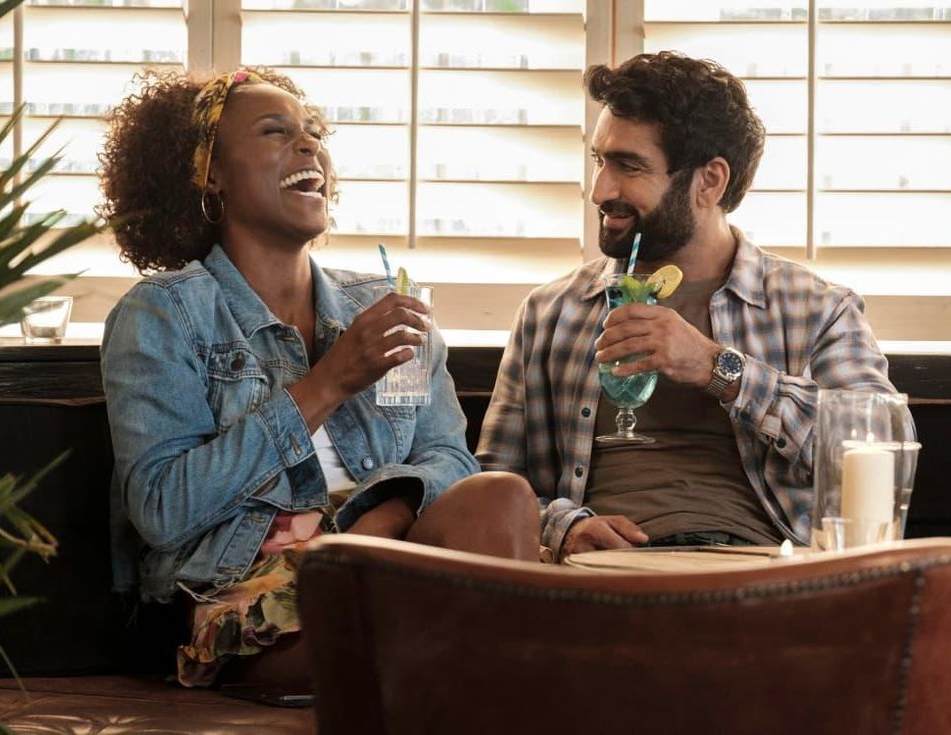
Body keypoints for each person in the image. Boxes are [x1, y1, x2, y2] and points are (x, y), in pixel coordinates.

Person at [98, 67, 539, 690]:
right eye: (276, 132)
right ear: (210, 172)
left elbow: (448, 459)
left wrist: (377, 526)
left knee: (503, 497)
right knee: (453, 643)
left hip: (394, 563)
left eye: (312, 134)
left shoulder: (384, 305)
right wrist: (328, 383)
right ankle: (487, 663)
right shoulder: (163, 313)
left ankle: (463, 658)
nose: (309, 147)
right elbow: (165, 510)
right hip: (253, 590)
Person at [476, 51, 908, 563]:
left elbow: (887, 451)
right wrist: (563, 528)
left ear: (709, 181)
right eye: (600, 161)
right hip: (595, 583)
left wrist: (717, 368)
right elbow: (493, 485)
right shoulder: (551, 313)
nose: (600, 190)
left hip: (760, 577)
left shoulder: (816, 307)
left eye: (628, 166)